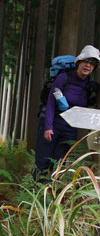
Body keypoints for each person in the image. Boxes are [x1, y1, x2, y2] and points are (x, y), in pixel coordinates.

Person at [34, 45, 100, 181]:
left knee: (60, 164)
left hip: (70, 129)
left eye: (92, 63)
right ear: (79, 62)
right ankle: (35, 192)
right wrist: (48, 127)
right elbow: (51, 103)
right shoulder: (63, 78)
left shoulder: (90, 85)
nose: (88, 65)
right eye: (86, 61)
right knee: (43, 162)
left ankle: (53, 194)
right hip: (52, 124)